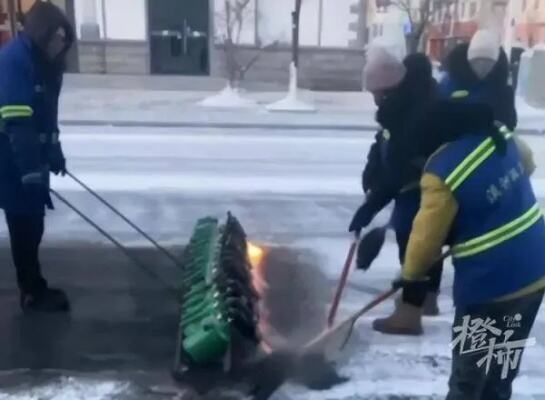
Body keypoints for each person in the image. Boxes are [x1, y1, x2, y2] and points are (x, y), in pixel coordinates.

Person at [394, 100, 545, 399]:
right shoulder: (501, 136)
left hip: (488, 288)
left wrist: (411, 275)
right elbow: (528, 164)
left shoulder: (443, 170)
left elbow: (425, 239)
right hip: (534, 273)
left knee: (468, 380)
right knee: (500, 371)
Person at [350, 49, 442, 335]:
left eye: (376, 92)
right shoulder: (399, 106)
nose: (374, 98)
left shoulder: (413, 111)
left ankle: (410, 313)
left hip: (424, 185)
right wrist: (372, 169)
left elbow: (399, 168)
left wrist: (369, 208)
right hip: (408, 185)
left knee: (413, 242)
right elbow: (384, 142)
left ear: (389, 88)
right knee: (414, 242)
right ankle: (423, 299)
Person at [0, 2, 74, 312]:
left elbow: (47, 114)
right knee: (24, 222)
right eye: (56, 39)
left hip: (31, 155)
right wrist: (29, 169)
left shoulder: (48, 64)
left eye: (64, 40)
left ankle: (32, 285)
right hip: (10, 154)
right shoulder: (16, 59)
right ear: (42, 33)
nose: (60, 46)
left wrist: (54, 150)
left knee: (34, 222)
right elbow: (17, 119)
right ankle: (31, 290)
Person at [439, 29, 517, 131]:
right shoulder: (450, 83)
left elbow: (508, 126)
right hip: (454, 142)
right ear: (468, 60)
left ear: (496, 63)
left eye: (488, 63)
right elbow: (438, 116)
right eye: (476, 62)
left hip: (490, 143)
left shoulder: (502, 90)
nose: (482, 68)